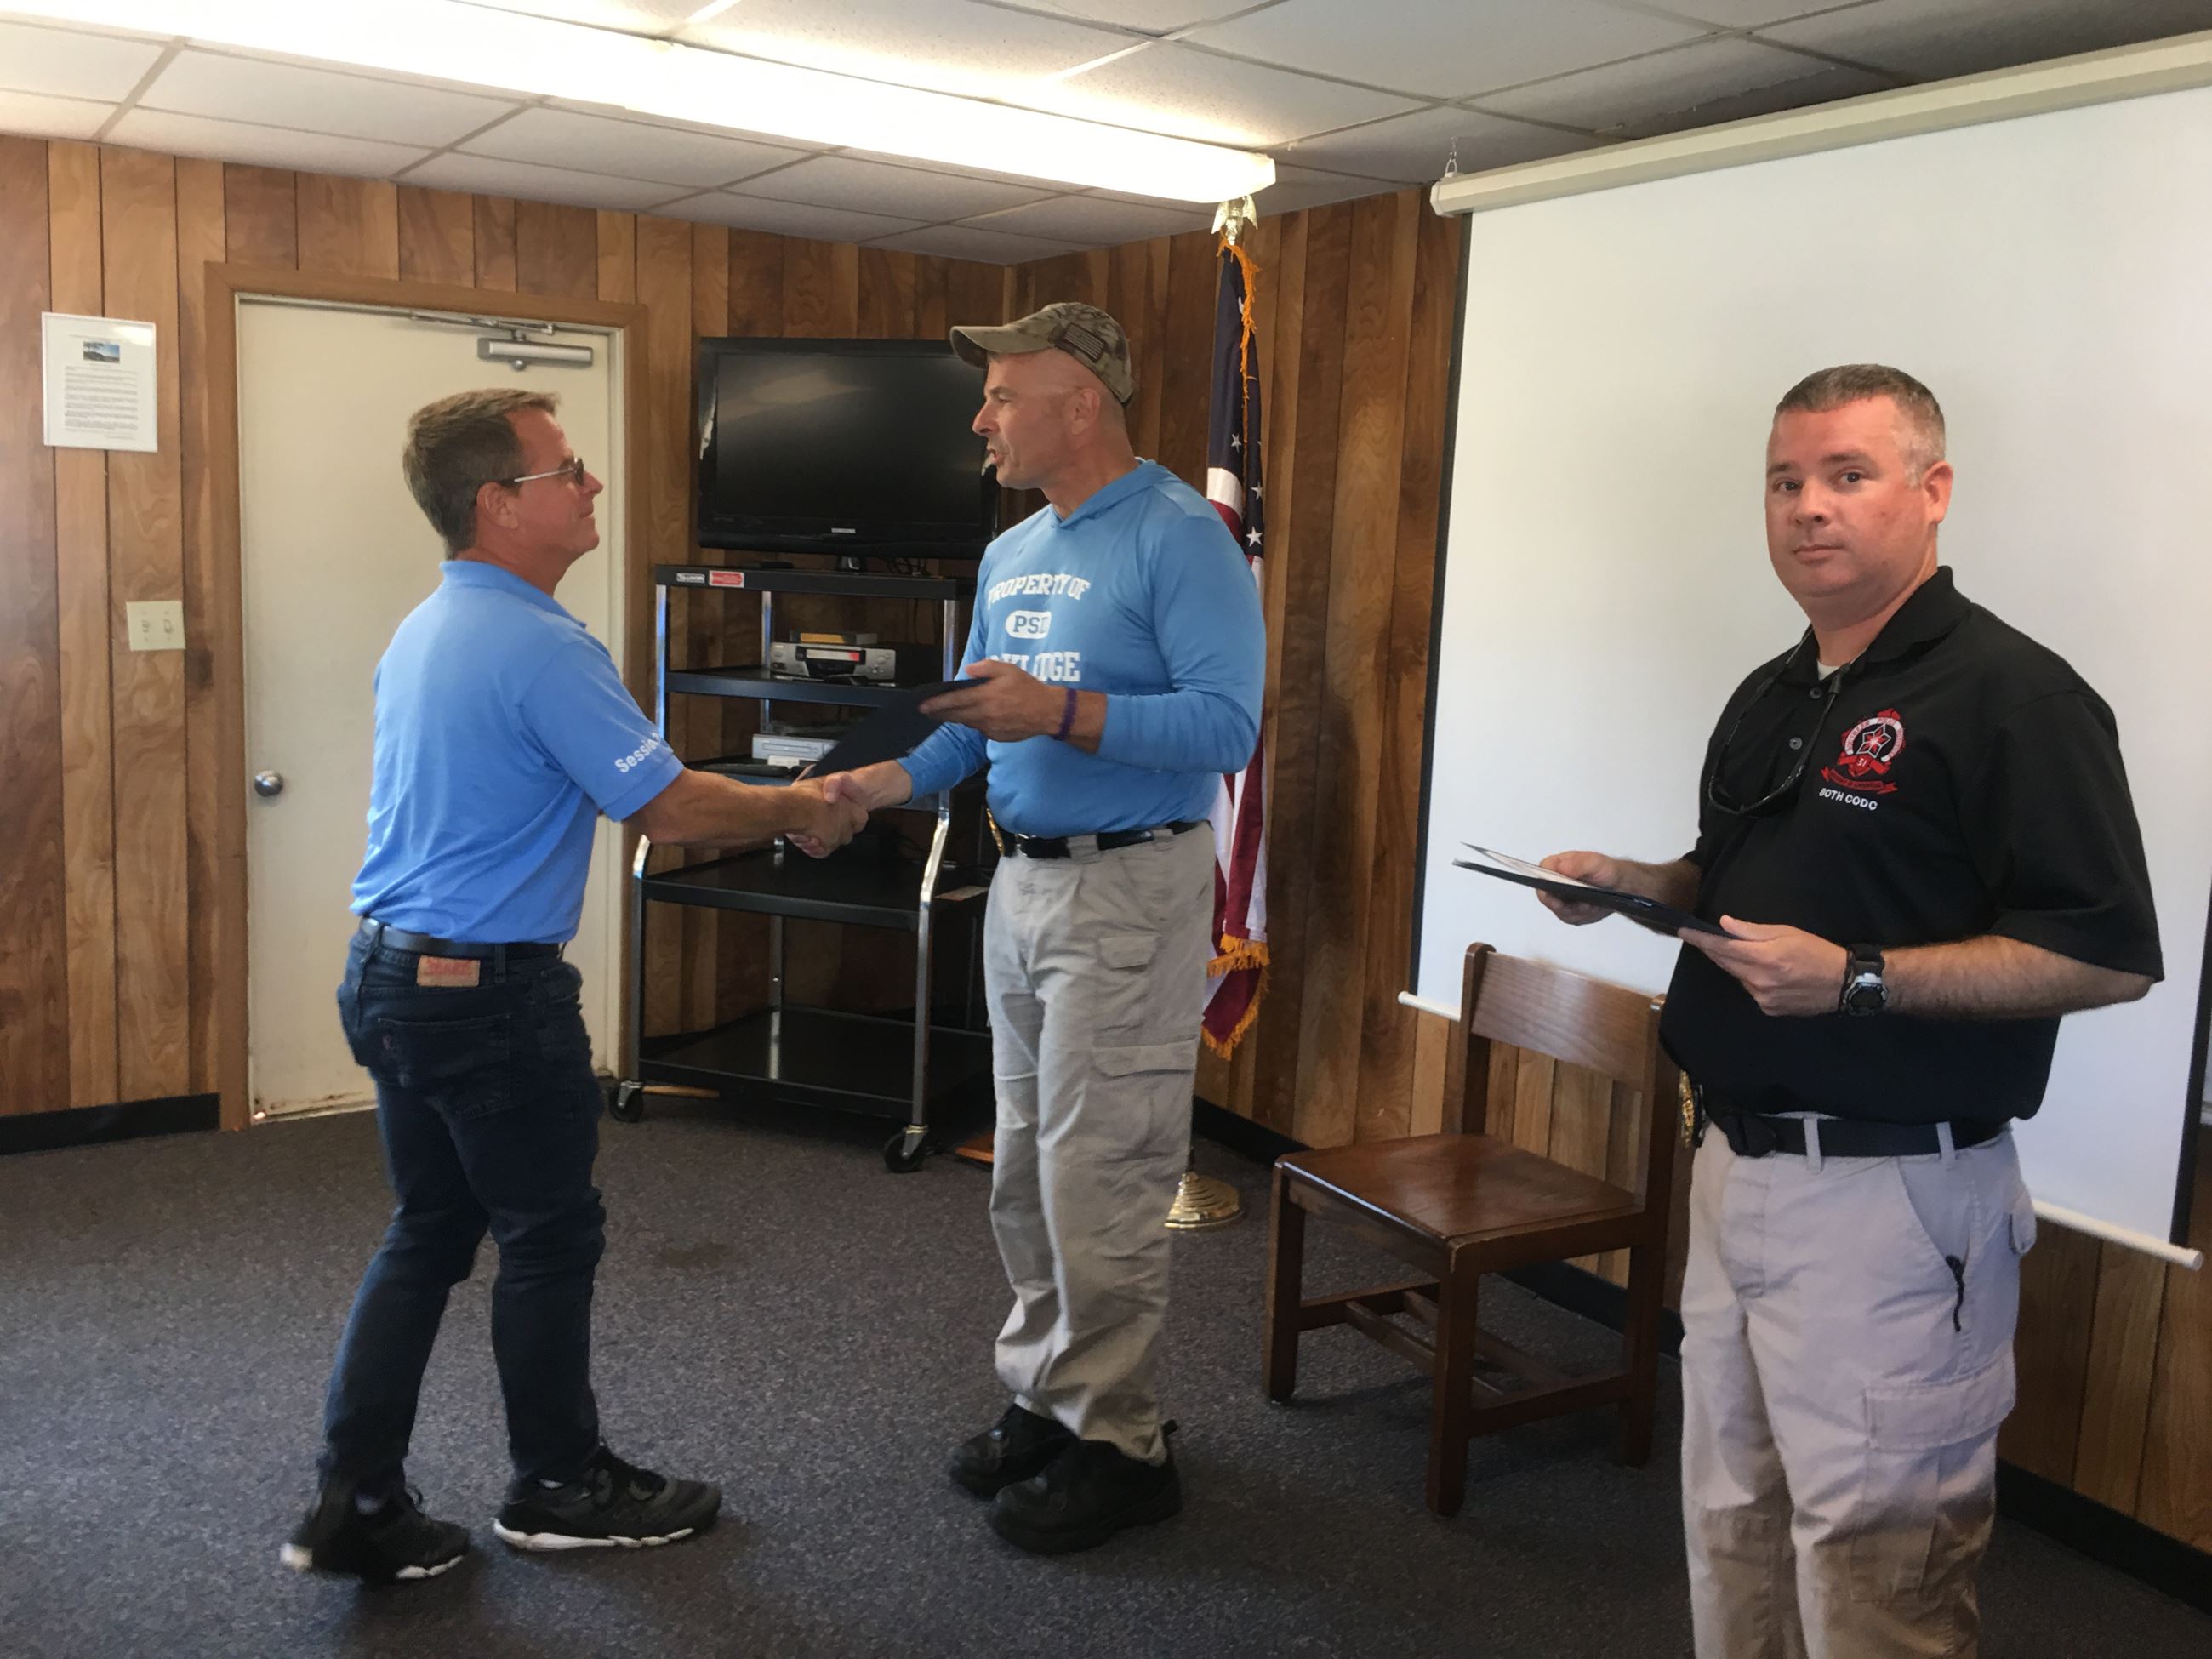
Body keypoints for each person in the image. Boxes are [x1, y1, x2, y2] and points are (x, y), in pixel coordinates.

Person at [1535, 365, 2161, 1658]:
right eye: (1785, 480)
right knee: (1732, 1522)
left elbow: (2106, 956)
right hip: (1732, 1167)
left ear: (1932, 494)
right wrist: (1643, 887)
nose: (1807, 507)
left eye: (1846, 475)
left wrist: (1861, 975)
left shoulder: (2016, 698)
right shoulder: (1776, 690)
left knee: (1878, 1573)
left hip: (1892, 1206)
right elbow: (1753, 884)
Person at [283, 387, 865, 1584]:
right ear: (501, 504)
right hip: (486, 1000)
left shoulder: (431, 626)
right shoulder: (542, 643)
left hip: (391, 975)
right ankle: (559, 1482)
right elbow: (664, 801)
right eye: (571, 470)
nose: (594, 485)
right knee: (547, 1239)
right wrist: (801, 805)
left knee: (430, 1231)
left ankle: (357, 1497)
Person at [823, 303, 1264, 1554]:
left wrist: (1063, 711)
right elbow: (970, 722)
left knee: (1100, 1172)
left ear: (1081, 398)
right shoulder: (1016, 552)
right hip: (1020, 887)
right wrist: (875, 784)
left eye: (1003, 393)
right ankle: (1050, 1394)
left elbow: (1227, 729)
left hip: (1129, 891)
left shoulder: (1183, 537)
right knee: (1023, 1164)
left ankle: (1121, 1441)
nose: (982, 418)